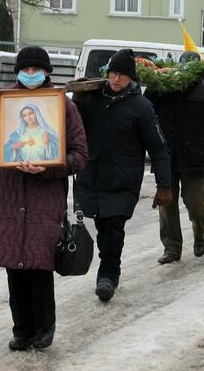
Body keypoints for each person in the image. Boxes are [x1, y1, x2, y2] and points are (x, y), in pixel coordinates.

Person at [0, 45, 88, 351]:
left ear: (47, 71)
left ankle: (44, 328)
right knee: (14, 262)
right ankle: (21, 329)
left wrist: (47, 168)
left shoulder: (62, 106)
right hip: (7, 195)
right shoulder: (3, 101)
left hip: (44, 197)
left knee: (38, 261)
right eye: (26, 69)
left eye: (37, 70)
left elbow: (80, 155)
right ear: (17, 71)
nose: (31, 75)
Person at [74, 49, 173, 301]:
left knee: (115, 228)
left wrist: (164, 185)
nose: (116, 79)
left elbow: (159, 148)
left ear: (132, 78)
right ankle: (108, 265)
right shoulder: (92, 99)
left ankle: (108, 275)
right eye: (113, 74)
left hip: (123, 180)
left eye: (122, 75)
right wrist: (76, 98)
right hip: (93, 176)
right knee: (102, 228)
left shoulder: (141, 107)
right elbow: (71, 125)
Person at [145, 50, 204, 264]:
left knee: (196, 203)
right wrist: (153, 80)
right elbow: (146, 105)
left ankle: (199, 235)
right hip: (166, 156)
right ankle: (172, 247)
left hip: (194, 157)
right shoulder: (164, 87)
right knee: (167, 205)